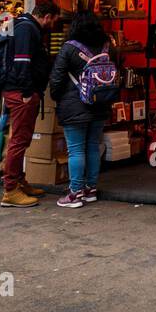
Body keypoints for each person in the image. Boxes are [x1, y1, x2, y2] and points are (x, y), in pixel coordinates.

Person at [0, 0, 61, 208]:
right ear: (47, 16)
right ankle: (10, 191)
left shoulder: (24, 26)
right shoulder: (27, 29)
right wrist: (27, 93)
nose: (53, 25)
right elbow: (22, 61)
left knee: (21, 139)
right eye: (54, 20)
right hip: (22, 92)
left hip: (20, 91)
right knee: (19, 139)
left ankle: (18, 181)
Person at [49, 12, 113, 208]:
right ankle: (90, 189)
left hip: (74, 104)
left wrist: (56, 96)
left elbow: (57, 78)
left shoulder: (69, 48)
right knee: (93, 146)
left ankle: (75, 193)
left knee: (75, 150)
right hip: (101, 102)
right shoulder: (107, 46)